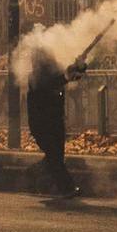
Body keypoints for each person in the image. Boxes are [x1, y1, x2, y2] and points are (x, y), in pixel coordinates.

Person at [26, 47, 86, 198]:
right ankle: (67, 188)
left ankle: (34, 173)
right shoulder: (35, 77)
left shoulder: (53, 73)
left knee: (56, 157)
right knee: (54, 157)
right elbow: (51, 82)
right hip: (41, 124)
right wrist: (67, 75)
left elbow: (73, 76)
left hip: (55, 122)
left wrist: (80, 66)